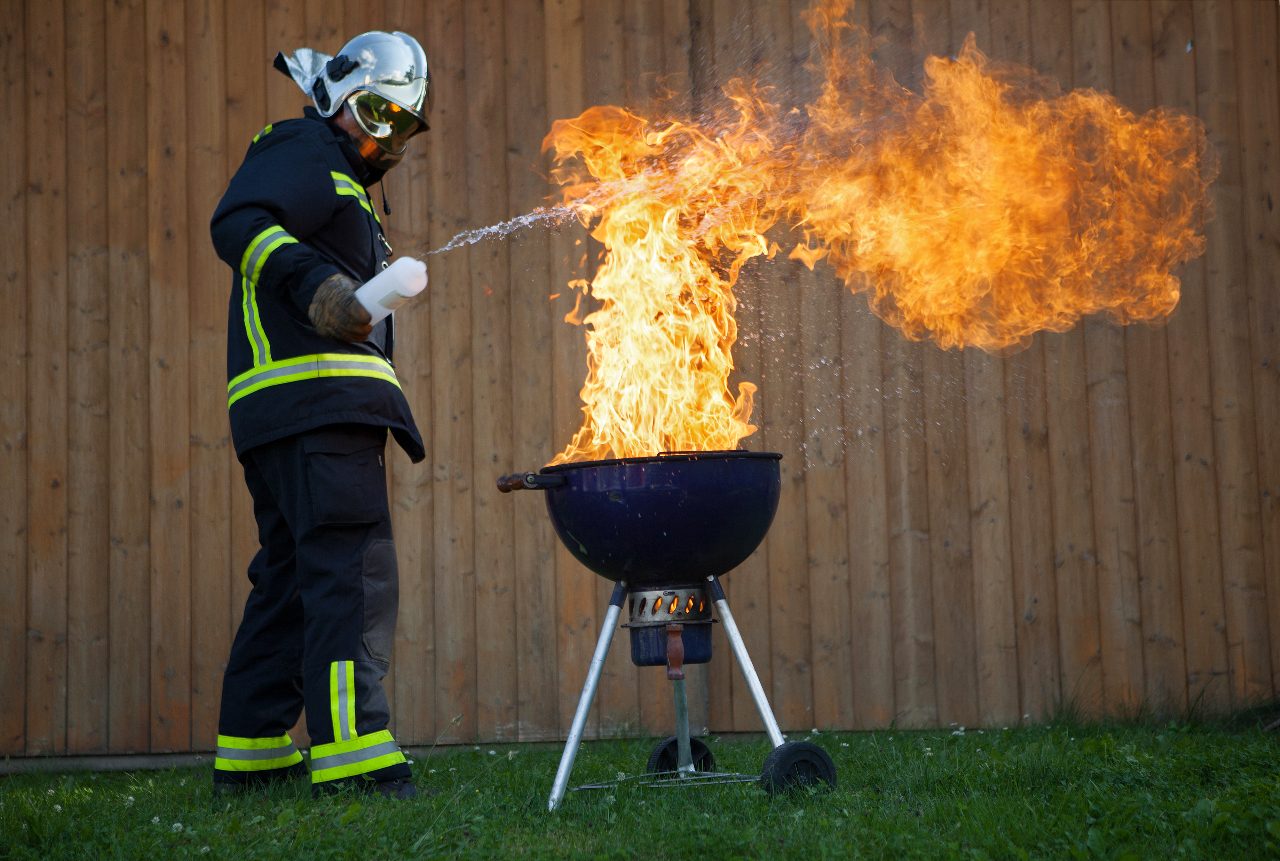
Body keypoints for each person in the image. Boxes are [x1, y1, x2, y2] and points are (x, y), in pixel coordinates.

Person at [208, 31, 430, 800]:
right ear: (338, 91)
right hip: (317, 405)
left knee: (293, 581)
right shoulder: (302, 149)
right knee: (351, 573)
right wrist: (316, 284)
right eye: (374, 114)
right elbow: (236, 221)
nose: (383, 138)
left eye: (400, 126)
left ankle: (253, 754)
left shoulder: (338, 181)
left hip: (288, 410)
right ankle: (356, 754)